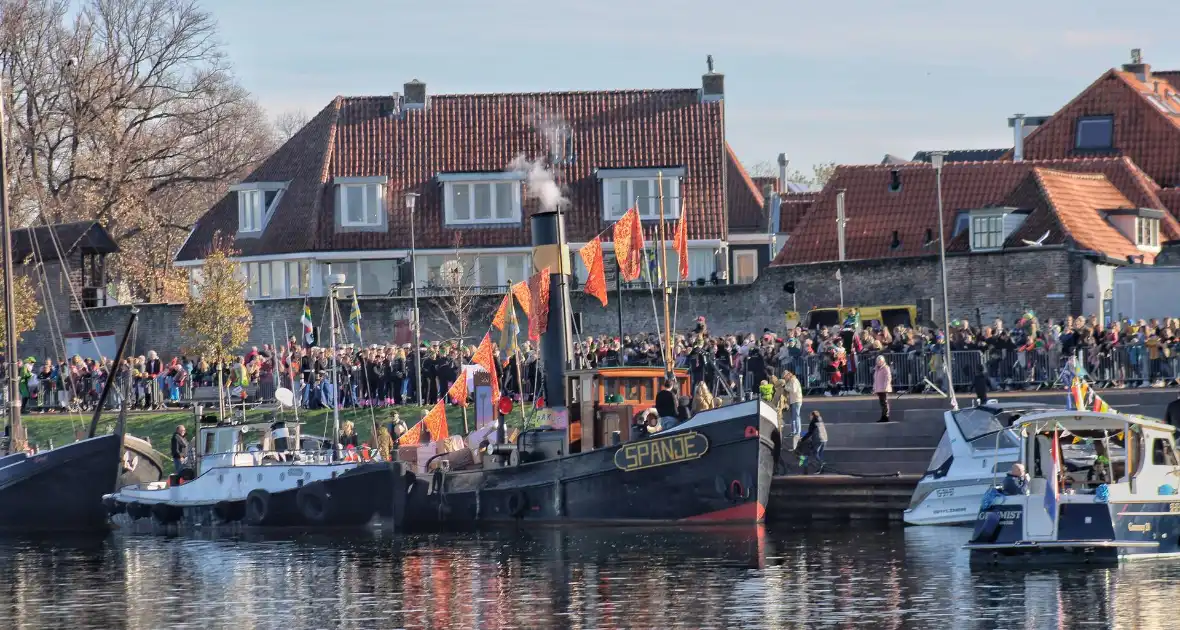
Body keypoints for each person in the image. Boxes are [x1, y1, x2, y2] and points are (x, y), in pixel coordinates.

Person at [783, 370, 803, 436]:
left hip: (796, 400)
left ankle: (797, 432)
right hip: (794, 400)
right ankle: (794, 432)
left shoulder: (793, 380)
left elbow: (793, 390)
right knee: (793, 417)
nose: (784, 378)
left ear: (788, 375)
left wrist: (785, 387)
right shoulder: (791, 380)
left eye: (785, 377)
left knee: (796, 416)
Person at [873, 355, 892, 423]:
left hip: (884, 388)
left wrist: (886, 387)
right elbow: (876, 380)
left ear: (883, 361)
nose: (878, 362)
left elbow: (888, 378)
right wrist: (874, 388)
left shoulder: (886, 368)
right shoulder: (876, 369)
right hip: (879, 389)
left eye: (880, 361)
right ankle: (883, 416)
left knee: (884, 402)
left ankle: (885, 416)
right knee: (882, 403)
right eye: (877, 361)